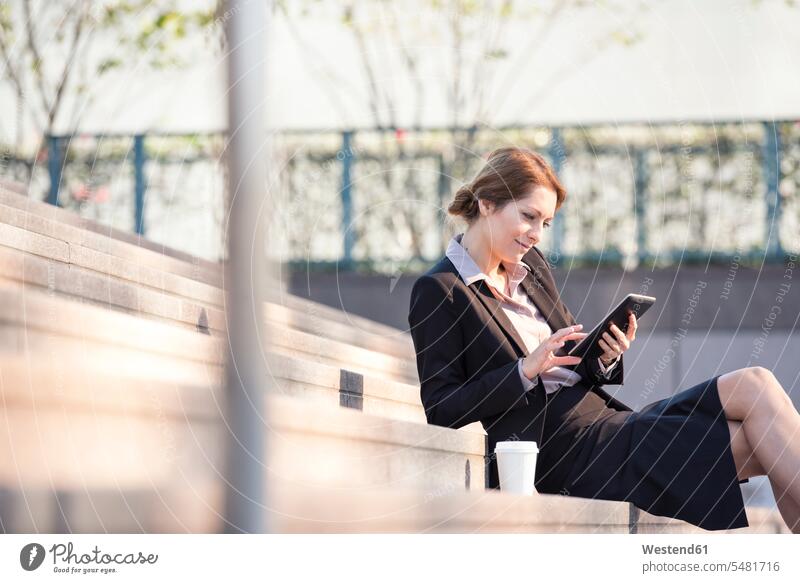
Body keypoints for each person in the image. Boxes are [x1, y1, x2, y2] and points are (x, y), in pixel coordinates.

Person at [407, 146, 800, 532]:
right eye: (529, 217)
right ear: (487, 203)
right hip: (564, 453)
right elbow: (441, 408)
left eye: (545, 223)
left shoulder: (533, 269)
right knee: (764, 426)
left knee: (758, 393)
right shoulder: (440, 290)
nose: (536, 235)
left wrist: (605, 356)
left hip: (608, 424)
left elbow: (571, 357)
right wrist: (524, 370)